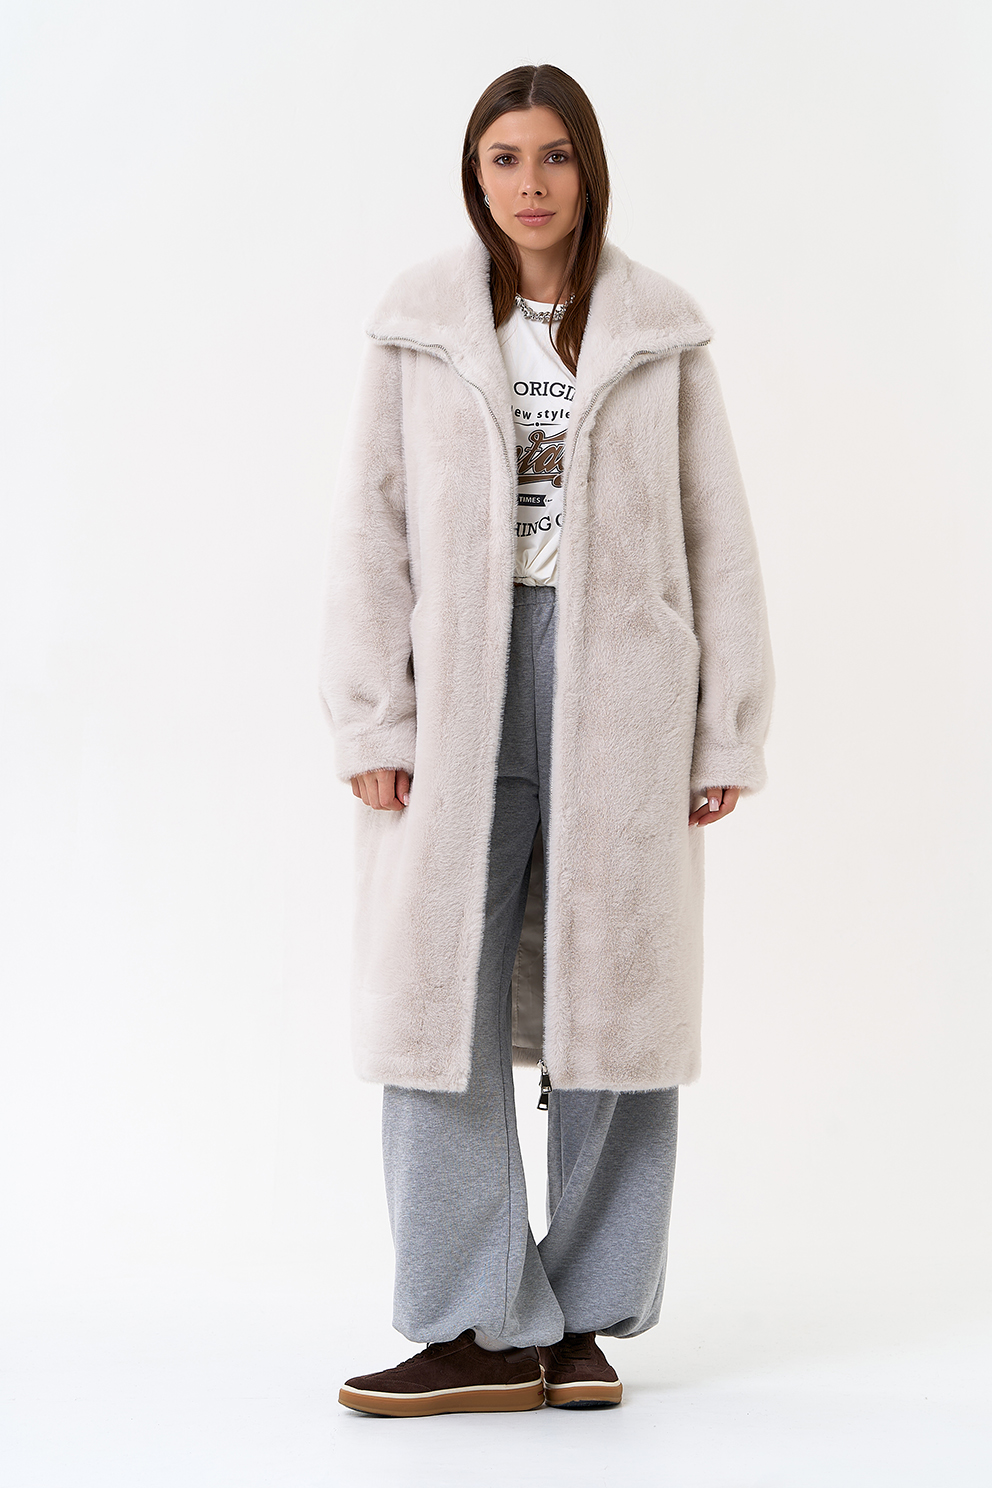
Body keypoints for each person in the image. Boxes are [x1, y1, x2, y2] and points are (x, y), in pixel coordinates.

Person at [320, 63, 774, 1417]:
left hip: (624, 689)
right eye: (505, 158)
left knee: (619, 1003)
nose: (531, 183)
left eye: (555, 155)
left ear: (590, 169)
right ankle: (475, 1317)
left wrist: (723, 732)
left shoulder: (657, 332)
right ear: (476, 177)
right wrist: (374, 713)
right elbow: (371, 530)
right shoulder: (417, 327)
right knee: (431, 1007)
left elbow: (718, 533)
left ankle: (579, 1319)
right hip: (462, 686)